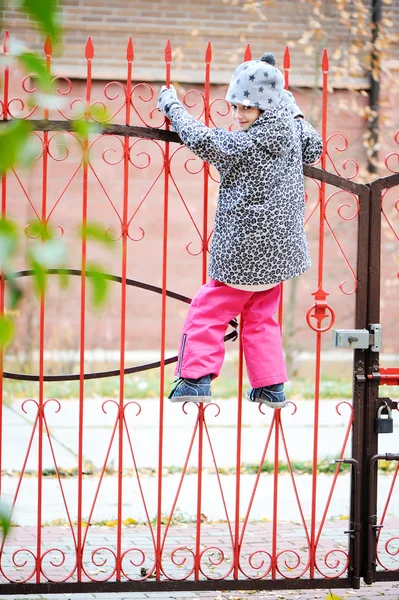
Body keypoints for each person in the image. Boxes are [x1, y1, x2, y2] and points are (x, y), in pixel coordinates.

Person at [157, 52, 322, 408]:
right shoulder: (291, 130)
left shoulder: (249, 143)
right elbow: (314, 147)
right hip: (281, 253)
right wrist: (291, 107)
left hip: (245, 252)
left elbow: (202, 139)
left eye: (248, 108)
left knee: (208, 307)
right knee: (261, 316)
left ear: (265, 107)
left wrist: (173, 108)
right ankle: (270, 385)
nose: (239, 115)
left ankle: (194, 380)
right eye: (235, 106)